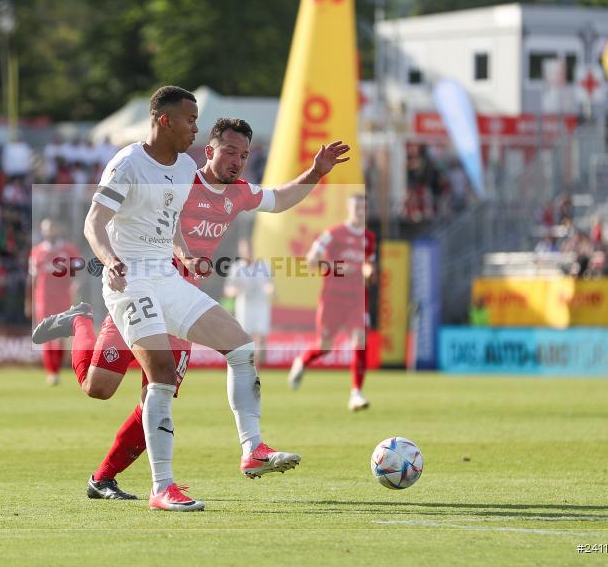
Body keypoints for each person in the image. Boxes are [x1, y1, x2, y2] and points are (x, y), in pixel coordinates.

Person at [35, 94, 349, 508]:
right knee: (100, 387)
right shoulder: (145, 166)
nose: (237, 160)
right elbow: (95, 221)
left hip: (172, 286)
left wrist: (314, 172)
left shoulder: (225, 188)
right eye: (229, 151)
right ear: (206, 147)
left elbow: (276, 198)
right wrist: (110, 259)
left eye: (244, 154)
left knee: (226, 353)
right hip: (132, 283)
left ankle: (242, 453)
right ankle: (80, 323)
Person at [288, 194, 376, 412]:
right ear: (349, 209)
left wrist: (369, 271)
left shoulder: (369, 238)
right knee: (325, 346)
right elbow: (311, 260)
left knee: (360, 338)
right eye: (357, 207)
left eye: (364, 208)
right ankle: (302, 361)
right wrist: (337, 267)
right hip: (333, 297)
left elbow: (369, 266)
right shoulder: (333, 234)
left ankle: (356, 393)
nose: (360, 212)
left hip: (357, 297)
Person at [26, 219, 81, 385]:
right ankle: (51, 371)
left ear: (58, 229)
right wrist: (28, 301)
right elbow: (32, 278)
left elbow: (78, 273)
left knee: (60, 336)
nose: (49, 232)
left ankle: (55, 369)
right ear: (42, 231)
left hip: (63, 298)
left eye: (52, 228)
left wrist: (76, 286)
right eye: (46, 229)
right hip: (43, 298)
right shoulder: (36, 252)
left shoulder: (69, 249)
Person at [224, 238, 274, 366]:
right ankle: (248, 367)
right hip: (245, 306)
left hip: (261, 305)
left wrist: (270, 290)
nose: (248, 252)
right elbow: (228, 290)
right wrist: (235, 290)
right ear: (241, 251)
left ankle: (256, 369)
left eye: (250, 249)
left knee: (260, 338)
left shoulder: (264, 266)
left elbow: (269, 285)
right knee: (246, 339)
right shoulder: (236, 268)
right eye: (245, 250)